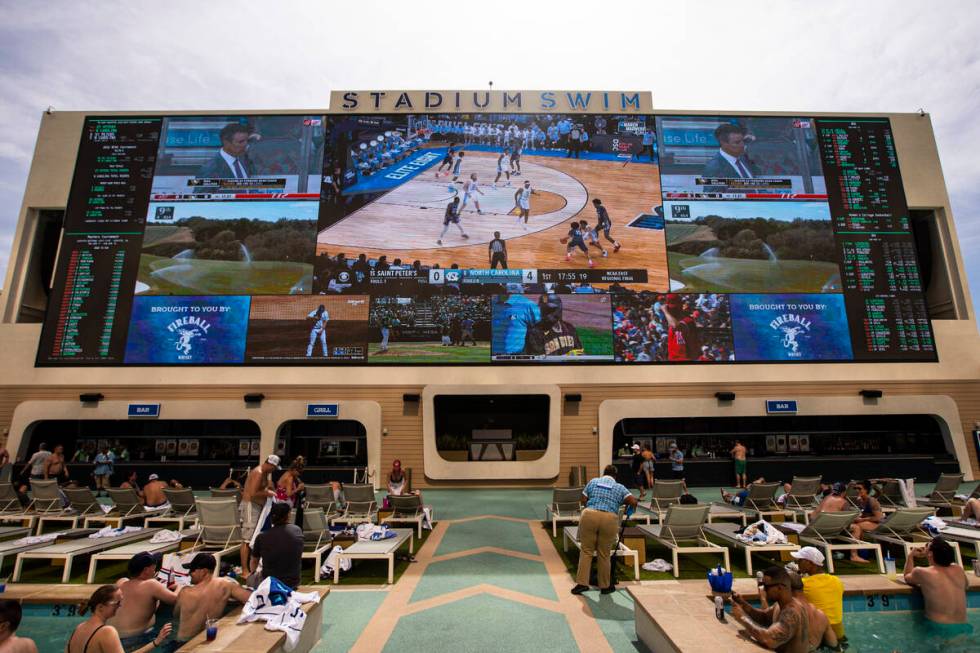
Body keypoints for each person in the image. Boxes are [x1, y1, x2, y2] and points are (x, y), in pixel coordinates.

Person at [571, 465, 637, 595]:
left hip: (590, 514)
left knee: (586, 551)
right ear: (615, 476)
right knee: (604, 554)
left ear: (604, 473)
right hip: (609, 518)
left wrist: (592, 505)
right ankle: (605, 586)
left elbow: (583, 499)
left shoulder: (593, 481)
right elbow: (633, 501)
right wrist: (629, 508)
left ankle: (581, 584)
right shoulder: (620, 487)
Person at [171, 553, 252, 650]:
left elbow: (175, 615)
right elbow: (251, 599)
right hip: (205, 642)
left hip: (181, 645)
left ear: (204, 571)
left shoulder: (185, 592)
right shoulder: (225, 585)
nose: (189, 573)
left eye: (192, 570)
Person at [67, 585, 172, 653]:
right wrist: (156, 642)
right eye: (117, 603)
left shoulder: (79, 628)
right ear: (100, 607)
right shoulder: (106, 632)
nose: (120, 606)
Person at [109, 553, 180, 652]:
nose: (155, 571)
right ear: (146, 570)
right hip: (134, 641)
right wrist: (179, 587)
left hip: (111, 640)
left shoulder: (121, 582)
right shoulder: (151, 584)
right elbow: (176, 599)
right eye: (154, 569)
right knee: (173, 639)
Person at [730, 566, 809, 652]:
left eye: (766, 586)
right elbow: (764, 617)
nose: (763, 590)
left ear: (780, 587)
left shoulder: (792, 612)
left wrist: (742, 618)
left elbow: (768, 640)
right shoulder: (780, 605)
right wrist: (743, 604)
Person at [904, 537, 970, 633]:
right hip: (963, 627)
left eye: (928, 545)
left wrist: (910, 556)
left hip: (939, 628)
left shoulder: (921, 572)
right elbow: (966, 585)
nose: (925, 546)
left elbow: (907, 577)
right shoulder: (958, 569)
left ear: (930, 553)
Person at [790, 546, 845, 641]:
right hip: (838, 632)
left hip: (819, 633)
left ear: (810, 563)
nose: (797, 564)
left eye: (800, 561)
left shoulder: (803, 584)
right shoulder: (837, 581)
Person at [250, 503, 303, 590]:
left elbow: (254, 562)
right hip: (292, 583)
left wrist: (252, 574)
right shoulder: (297, 530)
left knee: (252, 578)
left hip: (269, 582)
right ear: (288, 515)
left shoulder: (261, 537)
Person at [241, 455, 279, 575]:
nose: (274, 470)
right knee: (247, 539)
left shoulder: (264, 474)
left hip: (257, 507)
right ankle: (244, 570)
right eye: (274, 468)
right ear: (270, 464)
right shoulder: (259, 472)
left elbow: (260, 488)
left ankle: (253, 566)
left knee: (255, 537)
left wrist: (269, 486)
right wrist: (268, 493)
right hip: (250, 507)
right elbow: (253, 493)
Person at [848, 480, 882, 563]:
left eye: (859, 489)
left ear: (866, 490)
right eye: (856, 488)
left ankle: (855, 554)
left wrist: (862, 519)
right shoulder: (860, 500)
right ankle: (858, 551)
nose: (857, 491)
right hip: (868, 522)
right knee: (853, 525)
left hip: (878, 524)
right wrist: (849, 486)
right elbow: (843, 496)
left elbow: (878, 518)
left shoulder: (872, 501)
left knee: (857, 527)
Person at [660, 295, 701, 361]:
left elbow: (675, 325)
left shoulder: (688, 321)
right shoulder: (672, 321)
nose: (671, 311)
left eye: (672, 308)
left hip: (685, 359)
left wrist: (665, 311)